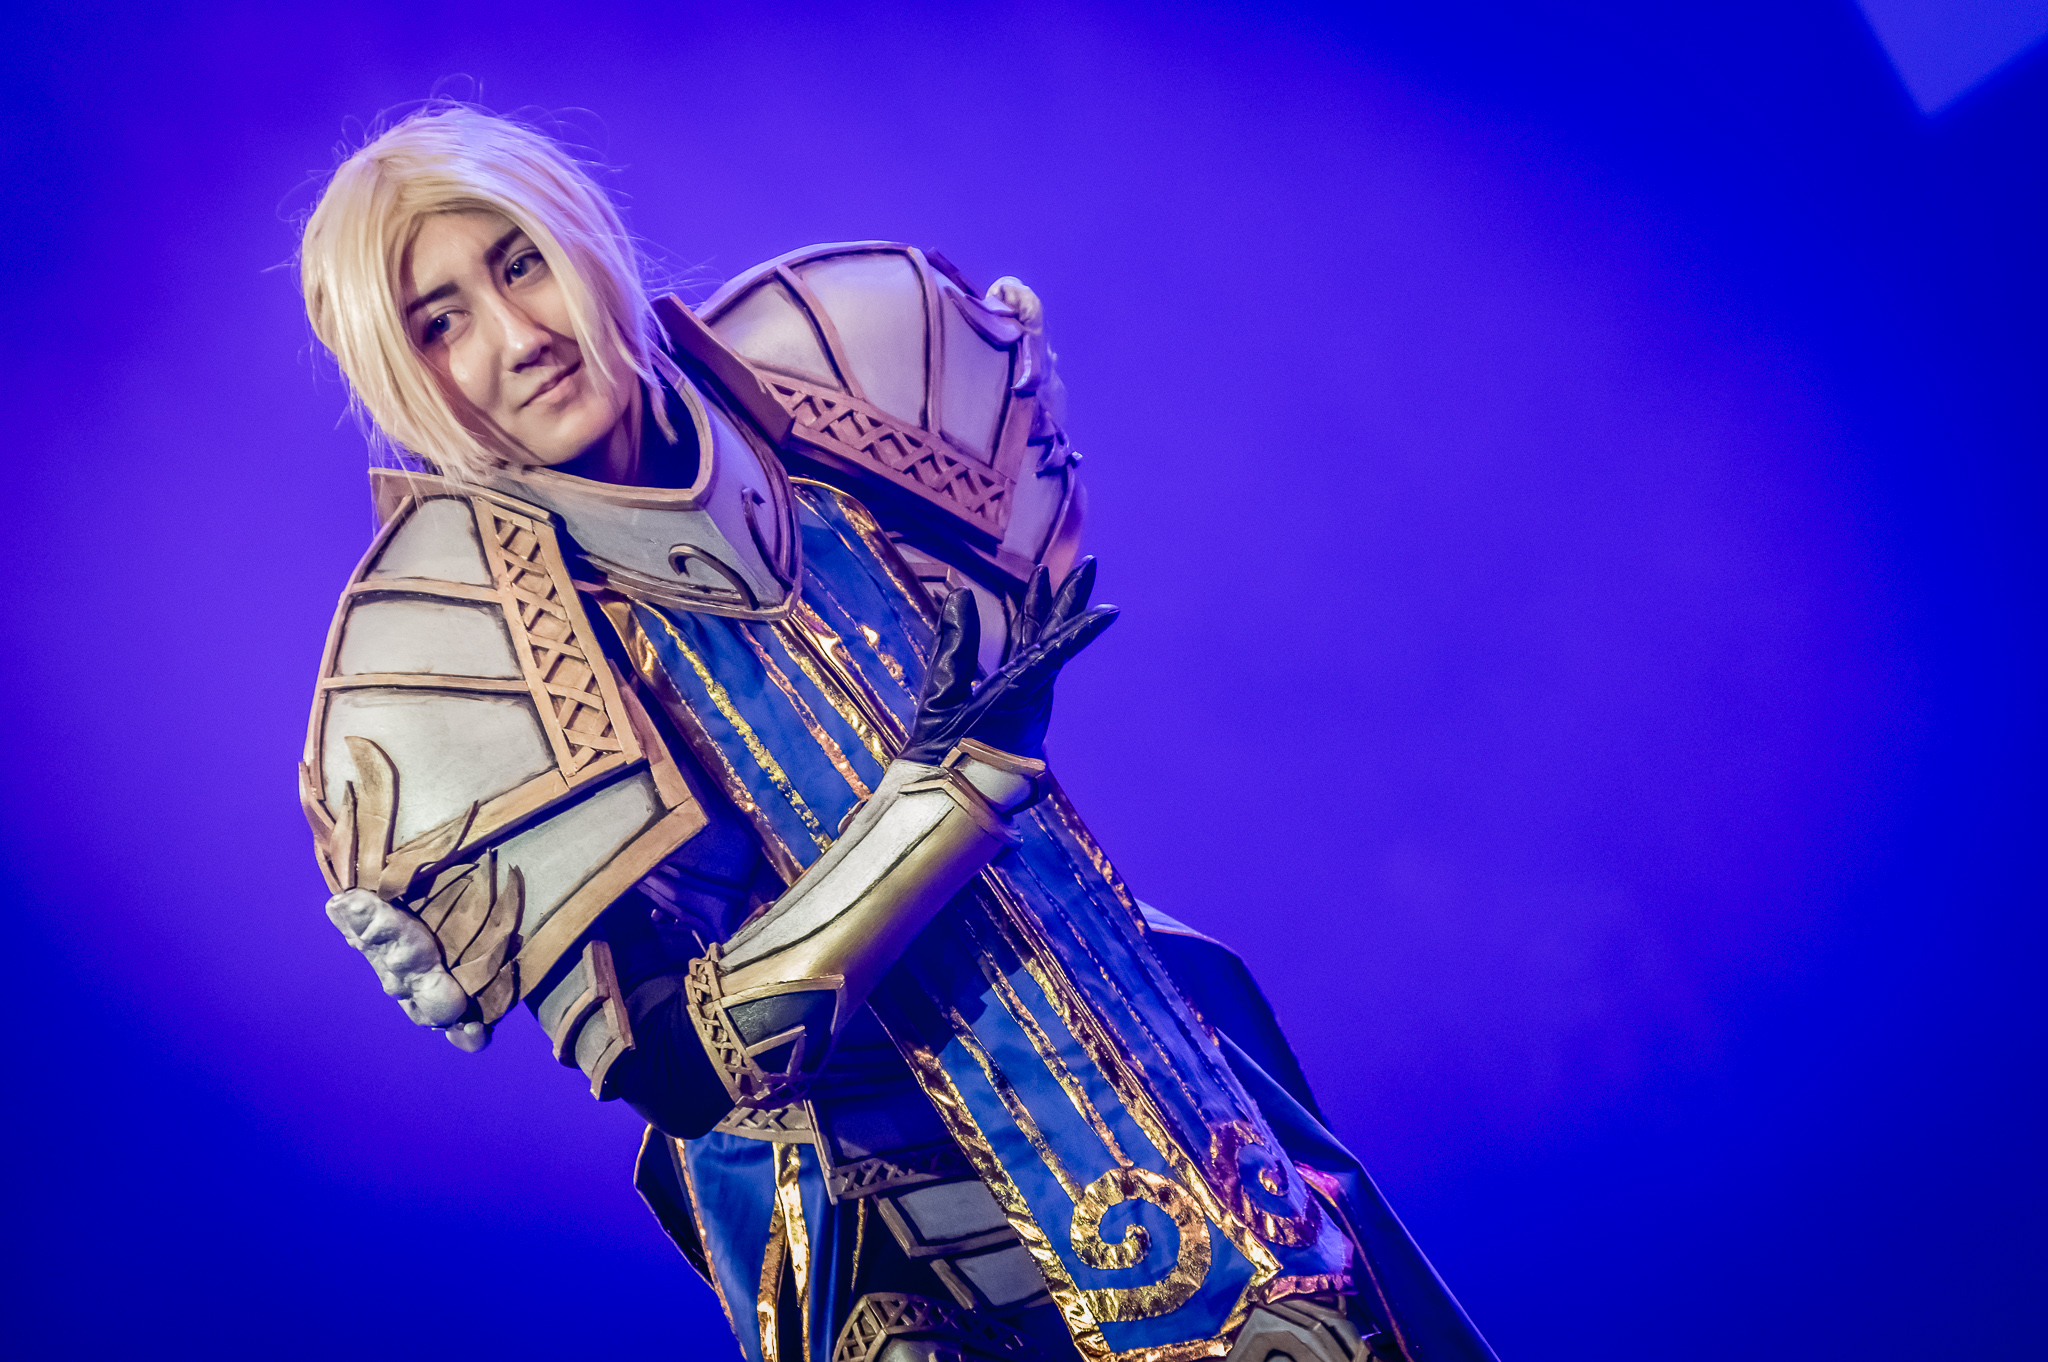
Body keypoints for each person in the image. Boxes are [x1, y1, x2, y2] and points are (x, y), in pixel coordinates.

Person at [296, 106, 1497, 1362]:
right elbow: (675, 1068)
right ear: (400, 379)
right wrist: (947, 797)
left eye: (520, 262)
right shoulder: (452, 651)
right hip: (891, 1245)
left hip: (1159, 1081)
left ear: (584, 240)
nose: (520, 337)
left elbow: (1026, 565)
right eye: (439, 323)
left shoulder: (842, 385)